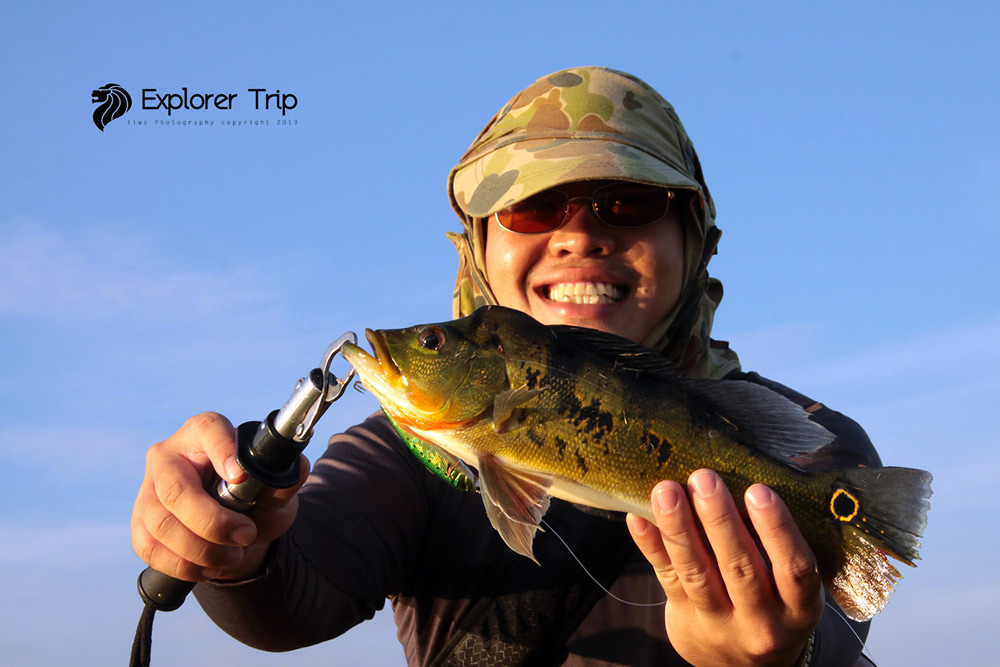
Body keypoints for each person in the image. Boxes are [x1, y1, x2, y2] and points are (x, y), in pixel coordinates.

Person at [132, 67, 880, 666]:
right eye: (530, 210)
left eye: (626, 202)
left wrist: (780, 655)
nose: (578, 236)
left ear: (695, 242)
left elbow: (850, 619)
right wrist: (235, 541)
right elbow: (298, 595)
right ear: (477, 249)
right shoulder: (406, 455)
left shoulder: (813, 445)